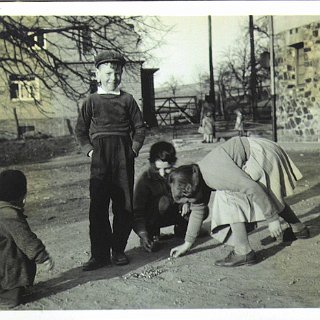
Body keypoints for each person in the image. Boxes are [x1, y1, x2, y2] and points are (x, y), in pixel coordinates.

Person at [168, 136, 309, 267]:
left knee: (227, 197)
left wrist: (272, 219)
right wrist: (187, 244)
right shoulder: (198, 175)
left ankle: (243, 251)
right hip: (258, 151)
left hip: (261, 153)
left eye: (186, 200)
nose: (188, 203)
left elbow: (252, 188)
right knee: (264, 194)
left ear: (191, 188)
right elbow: (198, 209)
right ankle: (298, 229)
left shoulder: (213, 175)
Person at [75, 50, 145, 271]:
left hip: (124, 156)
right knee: (98, 207)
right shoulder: (91, 101)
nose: (113, 78)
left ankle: (118, 250)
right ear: (97, 74)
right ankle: (99, 255)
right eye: (107, 73)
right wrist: (90, 152)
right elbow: (80, 131)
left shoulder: (127, 99)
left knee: (124, 206)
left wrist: (133, 150)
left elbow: (140, 128)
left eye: (117, 73)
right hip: (100, 158)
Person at [0, 170, 54, 309]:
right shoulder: (8, 214)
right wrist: (42, 256)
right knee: (15, 259)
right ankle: (8, 294)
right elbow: (26, 239)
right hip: (5, 269)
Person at [133, 141, 189, 252]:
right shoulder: (144, 180)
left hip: (173, 212)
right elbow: (137, 212)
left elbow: (190, 193)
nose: (163, 173)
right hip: (153, 218)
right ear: (152, 163)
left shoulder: (178, 174)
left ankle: (183, 228)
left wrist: (186, 202)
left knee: (197, 207)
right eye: (158, 169)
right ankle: (152, 234)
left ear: (173, 163)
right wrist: (143, 234)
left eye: (167, 168)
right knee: (164, 202)